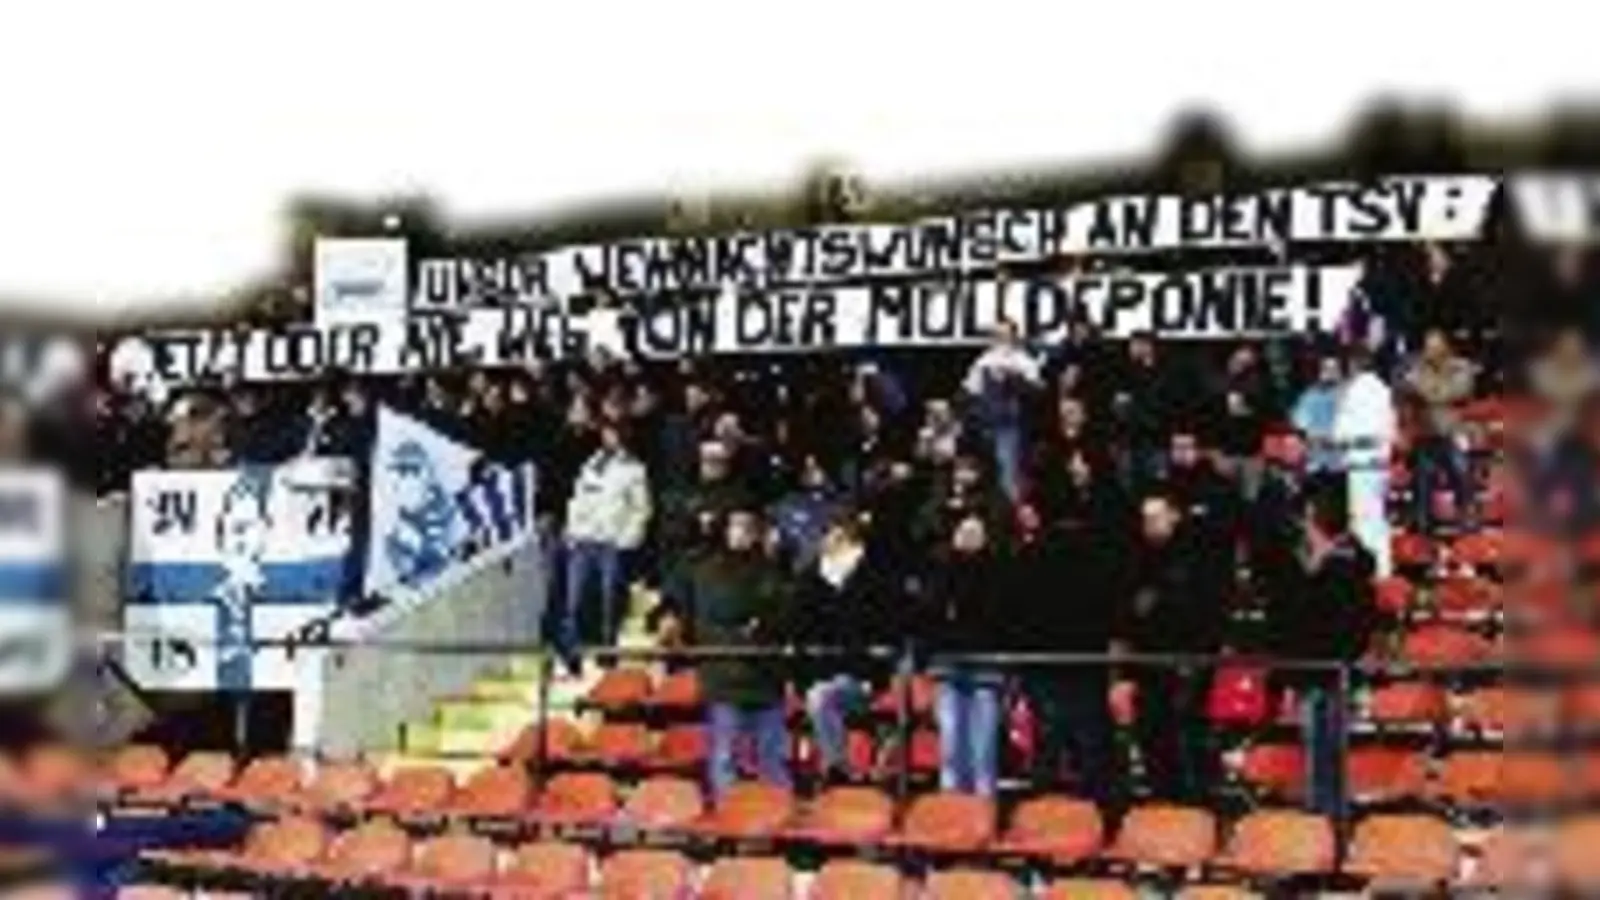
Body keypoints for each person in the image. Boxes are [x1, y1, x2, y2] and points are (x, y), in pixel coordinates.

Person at [1017, 446, 1126, 802]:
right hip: (1085, 662)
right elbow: (1112, 608)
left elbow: (1020, 611)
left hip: (1047, 663)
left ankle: (1043, 822)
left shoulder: (1032, 555)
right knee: (1091, 752)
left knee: (1048, 751)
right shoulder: (1100, 552)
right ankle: (1099, 818)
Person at [671, 507, 795, 799]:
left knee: (773, 760)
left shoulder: (771, 569)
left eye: (750, 526)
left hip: (766, 676)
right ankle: (729, 815)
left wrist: (763, 621)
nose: (743, 532)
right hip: (724, 676)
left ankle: (780, 813)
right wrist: (755, 617)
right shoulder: (705, 569)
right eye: (737, 525)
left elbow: (787, 613)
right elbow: (728, 606)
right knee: (724, 757)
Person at [1271, 484, 1378, 817]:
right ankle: (1326, 819)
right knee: (1323, 755)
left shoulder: (1339, 571)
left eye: (1306, 522)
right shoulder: (1344, 566)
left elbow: (1313, 624)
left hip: (1326, 674)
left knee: (1324, 756)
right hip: (1322, 673)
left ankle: (1325, 822)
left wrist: (1312, 575)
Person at [1120, 491, 1228, 802]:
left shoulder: (1197, 558)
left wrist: (1198, 659)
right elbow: (1130, 614)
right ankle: (1164, 801)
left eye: (1156, 517)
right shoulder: (1139, 559)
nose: (1149, 524)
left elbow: (1205, 613)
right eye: (1145, 518)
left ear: (1174, 516)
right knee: (1152, 738)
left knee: (1186, 739)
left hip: (1186, 665)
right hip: (1150, 666)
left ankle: (1194, 804)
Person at [792, 510, 895, 784]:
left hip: (861, 676)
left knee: (821, 697)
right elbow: (799, 627)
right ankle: (835, 767)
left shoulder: (874, 577)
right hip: (818, 673)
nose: (826, 539)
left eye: (832, 533)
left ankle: (837, 769)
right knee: (817, 694)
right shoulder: (810, 578)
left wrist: (873, 672)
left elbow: (886, 627)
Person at [913, 514, 1008, 797]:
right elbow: (929, 612)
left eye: (975, 531)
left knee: (982, 750)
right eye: (963, 531)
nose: (969, 537)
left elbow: (996, 616)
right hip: (950, 667)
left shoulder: (996, 572)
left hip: (986, 668)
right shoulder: (944, 570)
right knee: (952, 748)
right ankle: (953, 807)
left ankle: (983, 806)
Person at [560, 421, 652, 665]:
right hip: (583, 540)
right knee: (574, 599)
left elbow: (641, 508)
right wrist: (572, 530)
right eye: (605, 432)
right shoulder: (590, 464)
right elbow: (577, 499)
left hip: (611, 543)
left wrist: (626, 540)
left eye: (612, 433)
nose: (608, 437)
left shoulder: (634, 469)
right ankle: (572, 653)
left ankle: (607, 651)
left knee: (609, 599)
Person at [1399, 328, 1478, 532]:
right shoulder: (1417, 368)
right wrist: (1433, 391)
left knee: (1462, 471)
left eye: (1435, 347)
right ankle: (1422, 521)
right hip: (1426, 434)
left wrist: (1425, 389)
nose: (1430, 351)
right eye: (1427, 347)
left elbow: (1458, 390)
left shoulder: (1461, 367)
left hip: (1453, 432)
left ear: (1445, 347)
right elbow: (1406, 389)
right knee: (1422, 478)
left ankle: (1467, 516)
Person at [1331, 347, 1397, 576]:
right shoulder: (1383, 389)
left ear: (1354, 365)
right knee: (1376, 517)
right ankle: (1382, 567)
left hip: (1363, 461)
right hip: (1378, 461)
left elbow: (1346, 431)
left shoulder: (1356, 390)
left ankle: (1374, 571)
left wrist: (1341, 439)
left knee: (1363, 519)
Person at [961, 319, 1042, 503]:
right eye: (997, 334)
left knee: (1007, 470)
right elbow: (970, 391)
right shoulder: (983, 362)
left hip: (1012, 425)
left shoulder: (1024, 362)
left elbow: (1036, 393)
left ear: (1013, 337)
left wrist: (1014, 379)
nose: (1000, 338)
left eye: (1004, 334)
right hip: (985, 424)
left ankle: (1011, 507)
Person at [1291, 353, 1345, 475]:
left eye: (1334, 369)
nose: (1330, 373)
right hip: (1315, 462)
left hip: (1341, 464)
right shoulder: (1309, 396)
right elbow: (1300, 425)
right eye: (1327, 369)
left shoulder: (1349, 395)